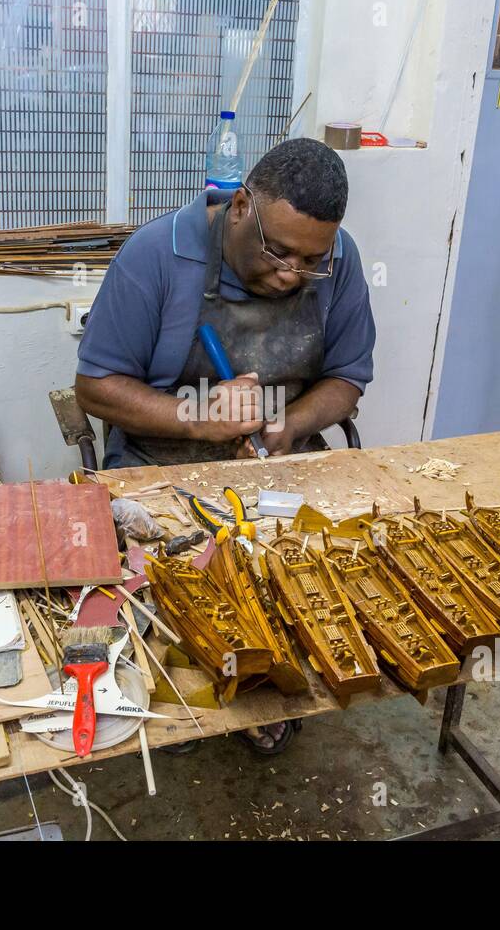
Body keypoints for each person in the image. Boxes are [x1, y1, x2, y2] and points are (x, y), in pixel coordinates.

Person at [75, 137, 376, 751]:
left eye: (309, 261)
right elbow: (95, 388)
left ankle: (270, 681)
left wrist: (286, 425)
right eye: (278, 252)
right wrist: (197, 419)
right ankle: (187, 685)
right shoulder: (157, 254)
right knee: (179, 582)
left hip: (277, 461)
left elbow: (347, 379)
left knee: (316, 566)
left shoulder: (337, 258)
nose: (292, 273)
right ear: (240, 206)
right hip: (160, 465)